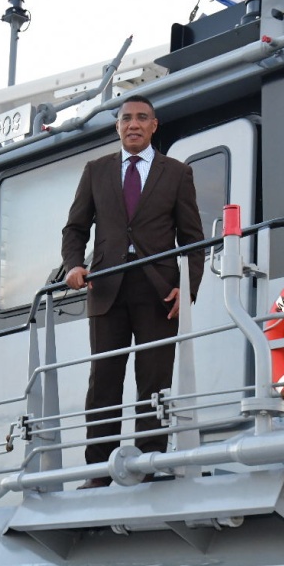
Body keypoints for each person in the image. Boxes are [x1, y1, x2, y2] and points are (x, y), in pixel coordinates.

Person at [60, 95, 205, 488]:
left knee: (154, 381)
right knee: (104, 381)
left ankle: (149, 463)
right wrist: (74, 265)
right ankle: (99, 471)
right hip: (105, 286)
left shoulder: (176, 173)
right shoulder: (95, 171)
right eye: (126, 119)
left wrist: (186, 288)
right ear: (117, 127)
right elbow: (75, 229)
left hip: (158, 290)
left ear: (154, 126)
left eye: (142, 118)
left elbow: (193, 237)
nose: (134, 124)